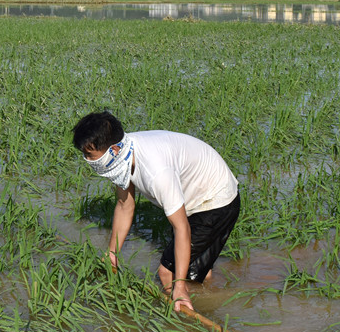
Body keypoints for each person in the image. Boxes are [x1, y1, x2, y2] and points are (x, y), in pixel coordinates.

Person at [72, 111, 240, 313]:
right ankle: (211, 297)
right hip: (197, 195)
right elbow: (125, 205)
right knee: (197, 271)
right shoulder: (122, 156)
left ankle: (181, 318)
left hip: (215, 201)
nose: (87, 160)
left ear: (113, 149)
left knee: (166, 273)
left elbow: (181, 228)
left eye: (90, 155)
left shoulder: (156, 173)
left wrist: (178, 287)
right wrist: (112, 253)